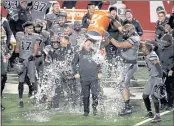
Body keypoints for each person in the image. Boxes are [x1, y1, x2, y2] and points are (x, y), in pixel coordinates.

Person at [104, 24, 140, 116]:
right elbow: (120, 27)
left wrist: (109, 36)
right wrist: (113, 18)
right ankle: (127, 103)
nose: (123, 33)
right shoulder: (131, 33)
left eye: (125, 32)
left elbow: (119, 45)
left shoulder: (134, 39)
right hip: (127, 64)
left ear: (130, 32)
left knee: (122, 85)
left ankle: (127, 107)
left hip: (130, 64)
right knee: (123, 84)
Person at [72, 38, 102, 116]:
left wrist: (99, 72)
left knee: (95, 94)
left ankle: (95, 108)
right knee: (86, 95)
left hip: (94, 77)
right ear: (83, 44)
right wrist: (75, 73)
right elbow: (73, 64)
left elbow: (99, 63)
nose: (88, 44)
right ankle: (86, 111)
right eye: (87, 43)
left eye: (90, 43)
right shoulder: (78, 53)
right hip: (84, 78)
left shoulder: (95, 53)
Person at [14, 21, 39, 108]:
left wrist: (29, 58)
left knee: (33, 79)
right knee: (20, 81)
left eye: (32, 28)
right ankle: (20, 100)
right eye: (29, 28)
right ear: (25, 29)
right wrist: (18, 57)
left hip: (30, 61)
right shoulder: (19, 35)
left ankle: (36, 98)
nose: (31, 30)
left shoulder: (35, 37)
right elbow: (17, 48)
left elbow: (35, 51)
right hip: (21, 60)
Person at [141, 42, 163, 123]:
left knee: (154, 96)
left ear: (147, 49)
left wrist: (160, 79)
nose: (142, 49)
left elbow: (158, 66)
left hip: (157, 77)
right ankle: (150, 113)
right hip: (152, 77)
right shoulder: (147, 54)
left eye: (143, 47)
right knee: (145, 95)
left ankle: (158, 116)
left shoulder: (152, 55)